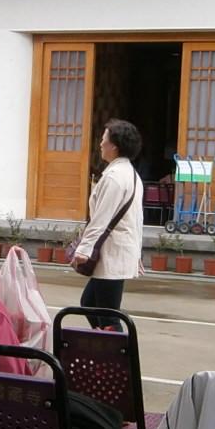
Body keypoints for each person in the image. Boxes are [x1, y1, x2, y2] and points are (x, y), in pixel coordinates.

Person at [73, 118, 143, 323]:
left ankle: (116, 345)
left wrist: (83, 249)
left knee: (108, 316)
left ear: (114, 145)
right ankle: (101, 342)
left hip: (113, 254)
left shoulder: (114, 177)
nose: (100, 144)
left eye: (104, 139)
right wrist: (137, 252)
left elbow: (100, 218)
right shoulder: (130, 173)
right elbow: (137, 219)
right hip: (117, 252)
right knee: (89, 304)